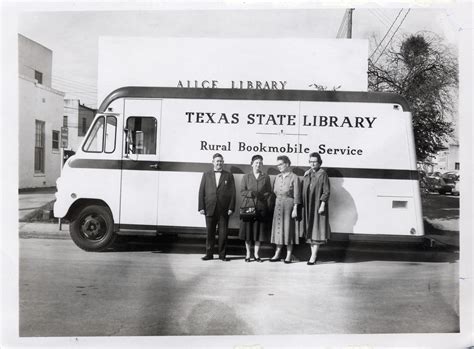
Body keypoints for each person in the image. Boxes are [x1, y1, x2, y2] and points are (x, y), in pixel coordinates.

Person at [198, 153, 236, 261]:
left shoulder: (228, 175)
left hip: (223, 209)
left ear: (223, 162)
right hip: (209, 208)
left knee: (223, 234)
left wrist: (231, 208)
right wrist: (201, 207)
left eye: (221, 161)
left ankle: (222, 255)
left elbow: (233, 193)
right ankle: (209, 254)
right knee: (210, 233)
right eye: (217, 161)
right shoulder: (206, 174)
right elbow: (201, 191)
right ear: (213, 162)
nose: (219, 163)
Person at [238, 154, 272, 262]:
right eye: (256, 163)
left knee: (259, 233)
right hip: (249, 207)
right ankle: (248, 254)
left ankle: (256, 255)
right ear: (252, 164)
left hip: (261, 208)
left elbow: (269, 191)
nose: (258, 165)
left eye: (260, 163)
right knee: (248, 232)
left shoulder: (266, 177)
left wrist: (264, 195)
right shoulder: (246, 177)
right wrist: (251, 193)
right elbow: (242, 192)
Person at [269, 155, 301, 264]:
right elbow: (274, 191)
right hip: (278, 205)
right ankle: (277, 253)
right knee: (278, 229)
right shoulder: (277, 177)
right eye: (277, 165)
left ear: (287, 164)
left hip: (289, 206)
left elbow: (297, 195)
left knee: (288, 229)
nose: (279, 167)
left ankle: (288, 255)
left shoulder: (294, 177)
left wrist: (295, 209)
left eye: (281, 164)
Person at [302, 152, 330, 265]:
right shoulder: (307, 173)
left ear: (319, 162)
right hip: (308, 206)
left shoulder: (323, 174)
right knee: (310, 230)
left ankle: (313, 256)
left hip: (318, 206)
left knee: (316, 230)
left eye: (315, 161)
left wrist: (322, 204)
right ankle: (312, 254)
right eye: (311, 161)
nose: (313, 163)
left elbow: (326, 191)